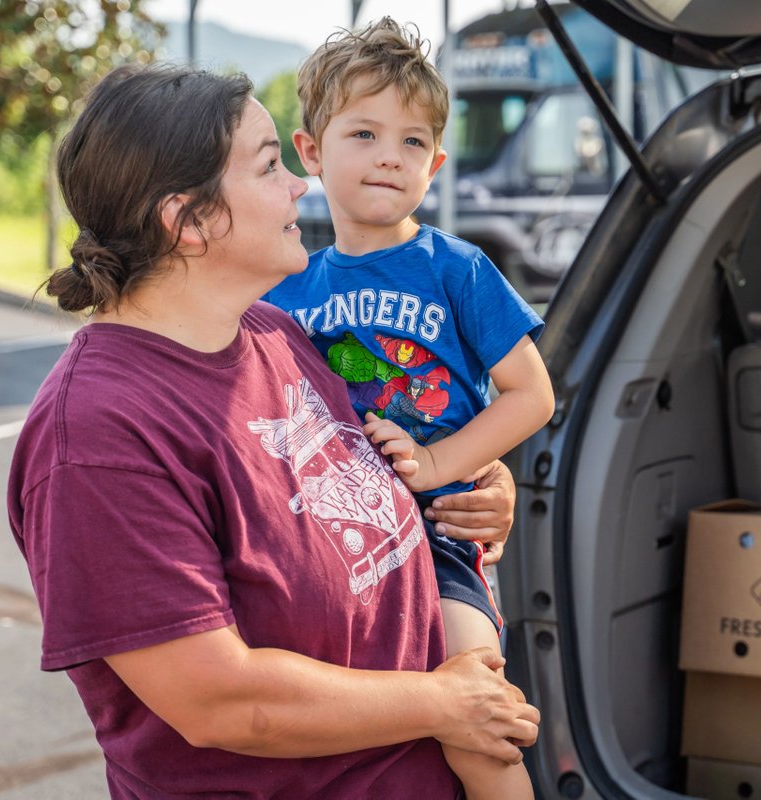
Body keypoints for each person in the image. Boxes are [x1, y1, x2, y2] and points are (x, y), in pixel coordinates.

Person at [5, 63, 539, 799]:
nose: (299, 184)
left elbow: (376, 458)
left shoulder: (275, 332)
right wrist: (445, 704)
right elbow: (223, 700)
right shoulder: (97, 438)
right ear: (188, 220)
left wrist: (474, 479)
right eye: (269, 166)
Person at [264, 19, 554, 799]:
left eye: (414, 141)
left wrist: (440, 465)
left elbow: (533, 394)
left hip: (442, 536)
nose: (391, 155)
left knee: (480, 715)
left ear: (438, 162)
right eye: (364, 132)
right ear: (312, 151)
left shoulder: (459, 269)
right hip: (335, 538)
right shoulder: (288, 292)